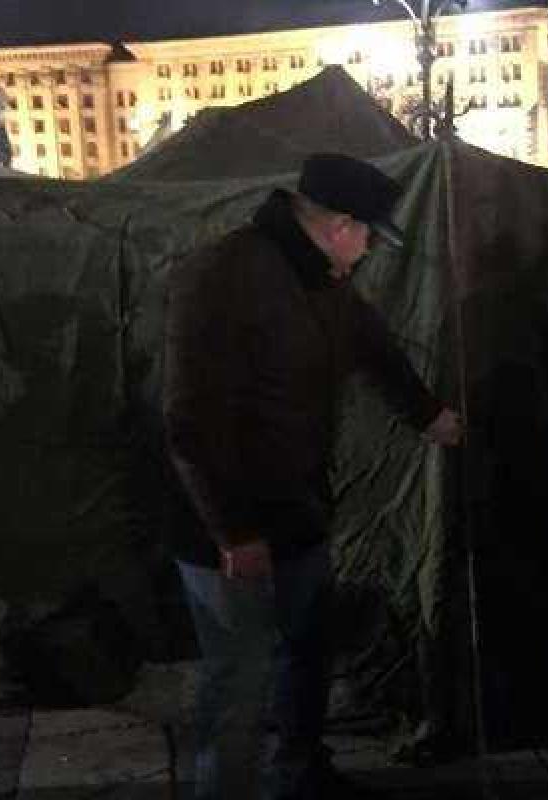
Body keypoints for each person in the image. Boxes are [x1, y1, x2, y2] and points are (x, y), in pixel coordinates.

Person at [164, 153, 464, 800]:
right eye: (367, 237)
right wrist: (234, 531)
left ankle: (298, 775)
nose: (367, 252)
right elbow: (190, 419)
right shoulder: (224, 274)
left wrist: (430, 415)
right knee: (238, 678)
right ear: (339, 225)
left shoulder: (322, 279)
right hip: (224, 528)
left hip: (297, 507)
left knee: (305, 651)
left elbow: (375, 348)